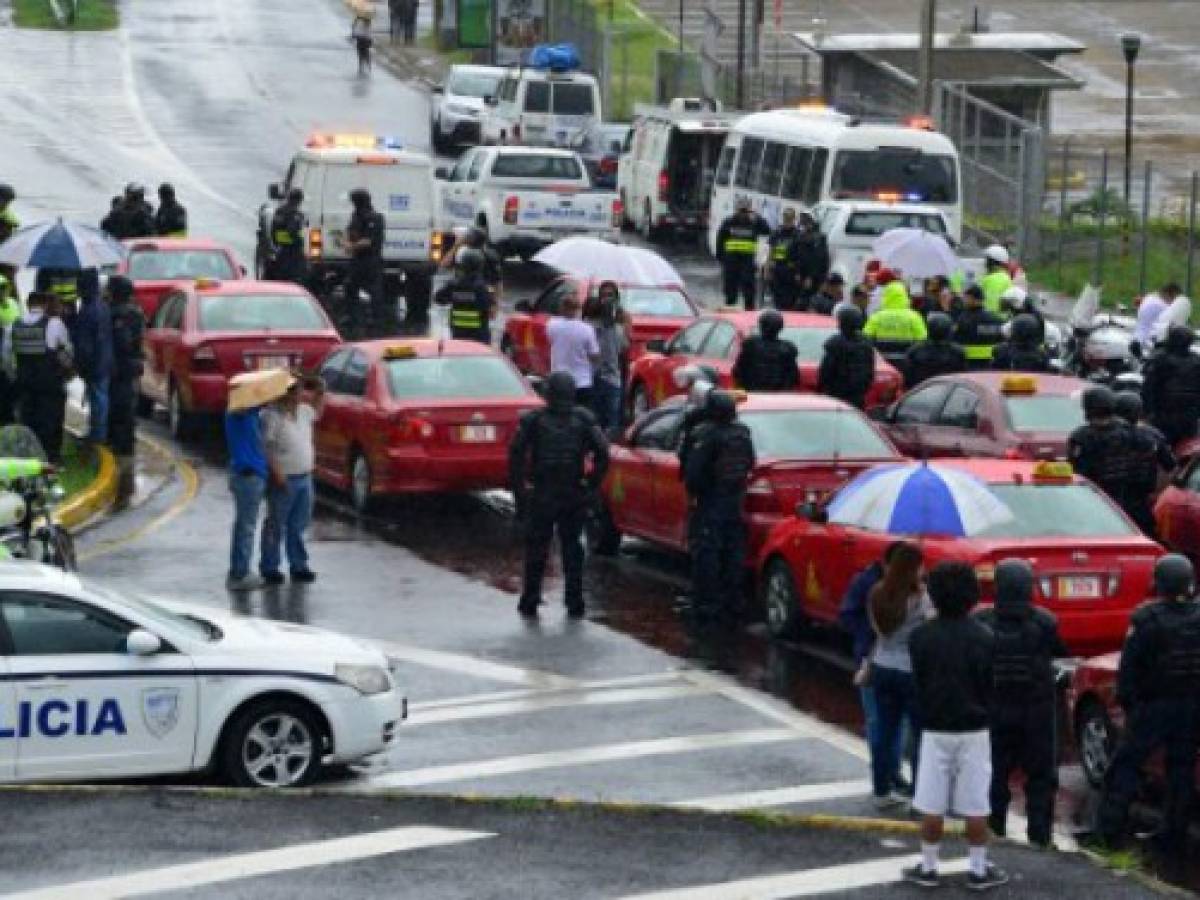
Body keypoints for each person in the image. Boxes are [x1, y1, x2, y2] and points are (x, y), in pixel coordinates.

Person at [906, 562, 1007, 891]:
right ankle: (977, 870)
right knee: (976, 804)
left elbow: (919, 681)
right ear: (971, 595)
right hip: (974, 729)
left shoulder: (920, 637)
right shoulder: (985, 637)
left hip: (935, 728)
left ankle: (929, 865)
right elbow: (990, 685)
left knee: (931, 802)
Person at [1093, 554, 1200, 851]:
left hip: (1153, 706)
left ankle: (1108, 832)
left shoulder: (1146, 619)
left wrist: (1130, 705)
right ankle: (1173, 834)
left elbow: (1129, 668)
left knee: (1125, 766)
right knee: (1181, 770)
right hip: (1190, 706)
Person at [974, 559, 1067, 849]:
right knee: (1040, 777)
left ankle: (994, 829)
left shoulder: (982, 622)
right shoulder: (1046, 622)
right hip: (1035, 711)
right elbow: (1060, 652)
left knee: (994, 774)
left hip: (995, 709)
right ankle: (1039, 836)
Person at [508, 371, 609, 618]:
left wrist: (520, 491)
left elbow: (516, 454)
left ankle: (530, 598)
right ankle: (574, 600)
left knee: (537, 547)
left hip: (544, 491)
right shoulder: (583, 419)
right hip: (572, 491)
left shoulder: (534, 420)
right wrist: (590, 485)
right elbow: (604, 453)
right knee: (572, 547)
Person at [861, 542, 930, 809]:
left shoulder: (876, 593)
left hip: (882, 666)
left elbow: (880, 633)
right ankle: (918, 794)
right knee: (918, 734)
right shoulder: (920, 599)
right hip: (910, 670)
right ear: (912, 569)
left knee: (885, 732)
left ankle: (881, 790)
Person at [839, 543, 908, 807]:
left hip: (899, 665)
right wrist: (874, 629)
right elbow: (847, 616)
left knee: (899, 724)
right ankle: (884, 779)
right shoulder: (866, 583)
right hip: (874, 660)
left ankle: (894, 773)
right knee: (879, 723)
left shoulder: (912, 587)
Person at [683, 390, 755, 621]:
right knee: (733, 551)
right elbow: (750, 462)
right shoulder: (742, 433)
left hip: (711, 501)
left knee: (707, 552)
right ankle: (732, 600)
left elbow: (693, 474)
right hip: (735, 500)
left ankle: (706, 603)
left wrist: (698, 493)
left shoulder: (707, 435)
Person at [225, 372, 289, 591]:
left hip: (252, 475)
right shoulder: (238, 413)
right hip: (248, 475)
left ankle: (240, 570)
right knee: (246, 527)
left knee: (245, 525)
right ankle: (240, 573)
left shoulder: (251, 414)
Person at [1068, 386, 1159, 536]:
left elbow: (1077, 474)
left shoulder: (1082, 437)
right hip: (1137, 508)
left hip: (1099, 508)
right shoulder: (1138, 434)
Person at [261, 375, 324, 585]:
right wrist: (276, 472)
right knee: (276, 523)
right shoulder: (272, 416)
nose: (300, 393)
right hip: (284, 477)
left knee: (298, 524)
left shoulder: (305, 412)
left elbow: (318, 409)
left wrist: (320, 390)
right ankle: (270, 565)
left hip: (304, 476)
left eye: (300, 389)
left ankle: (298, 564)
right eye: (296, 390)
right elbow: (266, 447)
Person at [6, 292, 72, 464]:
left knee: (28, 420)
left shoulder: (14, 325)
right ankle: (51, 459)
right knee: (51, 421)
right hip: (49, 383)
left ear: (28, 304)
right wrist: (67, 371)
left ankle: (29, 458)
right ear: (45, 305)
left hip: (25, 383)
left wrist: (16, 375)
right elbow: (67, 353)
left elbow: (6, 357)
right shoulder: (54, 323)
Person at [106, 275, 145, 506]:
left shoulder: (116, 314)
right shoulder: (133, 313)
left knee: (120, 405)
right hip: (127, 367)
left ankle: (120, 442)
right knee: (125, 405)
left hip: (120, 367)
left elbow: (125, 341)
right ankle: (123, 442)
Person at [1142, 325, 1200, 446]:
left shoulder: (1160, 359)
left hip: (1163, 416)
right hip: (1188, 418)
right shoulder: (1196, 361)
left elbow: (1148, 388)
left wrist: (1148, 412)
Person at [74, 269, 114, 445]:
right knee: (99, 397)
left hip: (95, 363)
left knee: (98, 399)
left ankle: (98, 436)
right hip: (104, 360)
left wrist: (82, 364)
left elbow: (85, 344)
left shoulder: (88, 310)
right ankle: (98, 433)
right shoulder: (102, 307)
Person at [585, 281, 630, 435]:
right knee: (595, 418)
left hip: (613, 375)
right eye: (604, 295)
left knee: (612, 421)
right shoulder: (590, 325)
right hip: (594, 376)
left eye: (610, 295)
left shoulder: (621, 320)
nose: (607, 299)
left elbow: (623, 347)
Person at [341, 188, 386, 336]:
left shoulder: (375, 218)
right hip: (357, 260)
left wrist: (351, 246)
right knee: (350, 287)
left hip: (370, 260)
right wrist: (346, 240)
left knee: (374, 291)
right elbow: (350, 230)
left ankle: (376, 320)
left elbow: (368, 241)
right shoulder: (356, 216)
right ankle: (352, 316)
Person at [715, 198, 769, 310]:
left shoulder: (755, 222)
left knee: (748, 289)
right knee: (730, 290)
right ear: (736, 210)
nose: (743, 213)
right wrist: (721, 258)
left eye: (746, 211)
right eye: (741, 210)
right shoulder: (729, 221)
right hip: (731, 262)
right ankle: (729, 309)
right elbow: (720, 240)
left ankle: (749, 312)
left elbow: (767, 230)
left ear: (750, 211)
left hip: (747, 262)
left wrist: (758, 217)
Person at [818, 305, 875, 410]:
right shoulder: (866, 343)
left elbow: (826, 371)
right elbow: (870, 370)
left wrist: (823, 388)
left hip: (837, 394)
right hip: (858, 395)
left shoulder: (835, 344)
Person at [1115, 391, 1176, 489]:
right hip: (1142, 492)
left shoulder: (1106, 434)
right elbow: (1171, 467)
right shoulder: (1154, 435)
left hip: (1108, 492)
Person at [434, 248, 495, 345]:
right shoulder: (482, 287)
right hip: (478, 333)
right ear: (480, 266)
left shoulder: (454, 284)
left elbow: (438, 298)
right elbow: (489, 309)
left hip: (458, 331)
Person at [547, 295, 599, 408]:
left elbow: (550, 340)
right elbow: (594, 355)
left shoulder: (552, 325)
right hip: (582, 382)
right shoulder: (587, 329)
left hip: (558, 380)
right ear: (578, 309)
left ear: (562, 308)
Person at [863, 281, 927, 367]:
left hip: (883, 366)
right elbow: (922, 340)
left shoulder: (877, 317)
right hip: (907, 364)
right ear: (905, 296)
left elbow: (865, 339)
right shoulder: (914, 317)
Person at [732, 309, 798, 392]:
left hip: (754, 393)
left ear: (761, 325)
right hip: (777, 395)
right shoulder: (787, 348)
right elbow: (793, 376)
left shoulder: (751, 344)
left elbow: (738, 371)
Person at [903, 312, 965, 388]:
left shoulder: (915, 350)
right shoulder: (957, 352)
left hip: (922, 391)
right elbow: (962, 376)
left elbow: (908, 376)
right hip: (947, 391)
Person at [953, 285, 1005, 370]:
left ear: (974, 299)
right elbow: (1002, 338)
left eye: (966, 298)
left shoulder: (963, 319)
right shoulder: (995, 319)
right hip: (991, 363)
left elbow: (955, 339)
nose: (964, 301)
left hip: (969, 363)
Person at [267, 188, 309, 284]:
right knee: (294, 277)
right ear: (298, 200)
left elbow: (274, 230)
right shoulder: (295, 214)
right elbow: (292, 231)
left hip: (284, 250)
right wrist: (297, 239)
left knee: (282, 276)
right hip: (291, 251)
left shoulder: (281, 211)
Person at [766, 208, 803, 311]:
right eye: (785, 217)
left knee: (789, 302)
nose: (787, 220)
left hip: (790, 271)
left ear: (794, 219)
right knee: (777, 301)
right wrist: (767, 268)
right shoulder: (777, 232)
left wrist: (798, 272)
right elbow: (771, 251)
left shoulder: (798, 235)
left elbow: (800, 256)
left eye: (790, 218)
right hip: (777, 270)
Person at [794, 212, 830, 307]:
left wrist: (810, 277)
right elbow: (798, 256)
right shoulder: (801, 235)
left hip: (813, 277)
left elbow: (817, 259)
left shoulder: (818, 237)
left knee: (809, 303)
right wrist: (797, 272)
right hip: (801, 275)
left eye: (804, 220)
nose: (802, 223)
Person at [0, 272, 21, 425]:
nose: (2, 291)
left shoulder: (13, 303)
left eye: (4, 287)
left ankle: (10, 417)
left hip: (12, 350)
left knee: (12, 387)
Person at [980, 245, 1013, 316]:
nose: (985, 264)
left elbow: (990, 305)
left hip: (990, 320)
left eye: (987, 260)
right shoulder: (1006, 277)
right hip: (1001, 319)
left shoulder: (992, 279)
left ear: (992, 262)